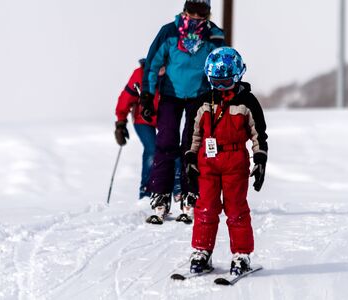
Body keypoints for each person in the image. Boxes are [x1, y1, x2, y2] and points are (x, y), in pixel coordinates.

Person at [140, 0, 226, 224]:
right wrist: (147, 95)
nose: (196, 17)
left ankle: (190, 194)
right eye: (193, 11)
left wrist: (221, 97)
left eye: (202, 13)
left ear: (207, 14)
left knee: (192, 145)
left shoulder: (213, 34)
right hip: (171, 95)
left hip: (199, 96)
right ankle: (160, 195)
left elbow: (220, 65)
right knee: (166, 142)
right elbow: (152, 63)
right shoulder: (169, 32)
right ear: (185, 9)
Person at [184, 47, 268, 276]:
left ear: (238, 76)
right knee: (205, 207)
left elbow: (258, 133)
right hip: (207, 162)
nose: (221, 88)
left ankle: (241, 254)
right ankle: (202, 250)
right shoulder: (203, 102)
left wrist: (260, 159)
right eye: (215, 82)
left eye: (226, 82)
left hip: (235, 162)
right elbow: (193, 134)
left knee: (236, 208)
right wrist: (190, 158)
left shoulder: (247, 102)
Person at [114, 59, 182, 200]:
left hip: (163, 119)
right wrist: (121, 122)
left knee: (172, 148)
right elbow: (126, 98)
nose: (162, 70)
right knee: (152, 149)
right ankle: (146, 191)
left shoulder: (172, 75)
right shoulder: (140, 74)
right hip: (142, 119)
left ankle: (176, 190)